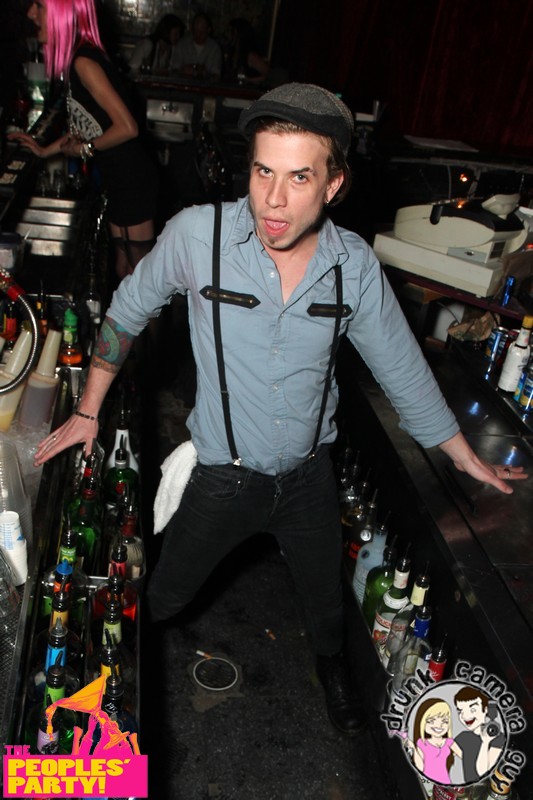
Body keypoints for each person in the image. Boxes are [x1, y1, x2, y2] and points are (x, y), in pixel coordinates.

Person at [34, 83, 527, 738]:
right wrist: (88, 410)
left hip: (307, 480)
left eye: (299, 177)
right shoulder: (198, 236)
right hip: (223, 476)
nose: (272, 198)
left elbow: (402, 369)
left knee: (326, 602)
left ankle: (332, 670)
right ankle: (112, 692)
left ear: (333, 184)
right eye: (263, 171)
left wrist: (464, 457)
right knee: (162, 596)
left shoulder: (353, 267)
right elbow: (126, 313)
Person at [9, 0, 159, 281]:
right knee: (125, 272)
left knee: (142, 281)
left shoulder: (83, 62)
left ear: (61, 13)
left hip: (132, 180)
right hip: (118, 180)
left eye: (39, 6)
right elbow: (88, 129)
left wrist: (85, 150)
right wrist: (43, 150)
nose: (31, 13)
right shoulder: (77, 60)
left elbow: (128, 128)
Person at [454, 687, 505, 783]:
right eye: (460, 711)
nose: (465, 716)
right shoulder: (463, 736)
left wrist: (485, 742)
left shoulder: (498, 738)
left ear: (485, 709)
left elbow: (482, 772)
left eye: (473, 709)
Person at [409, 697, 462, 784]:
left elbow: (465, 757)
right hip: (427, 782)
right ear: (422, 722)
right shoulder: (422, 743)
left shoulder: (449, 742)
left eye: (444, 721)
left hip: (445, 782)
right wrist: (413, 748)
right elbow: (420, 767)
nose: (439, 725)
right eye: (431, 721)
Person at [169, 11, 222, 79]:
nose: (198, 35)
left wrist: (202, 72)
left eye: (201, 33)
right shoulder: (182, 45)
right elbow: (174, 70)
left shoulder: (214, 49)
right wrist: (182, 71)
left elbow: (216, 75)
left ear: (208, 30)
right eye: (195, 32)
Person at [226, 17, 269, 84]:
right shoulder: (233, 53)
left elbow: (269, 74)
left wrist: (248, 80)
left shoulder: (250, 55)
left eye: (229, 30)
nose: (227, 34)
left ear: (237, 32)